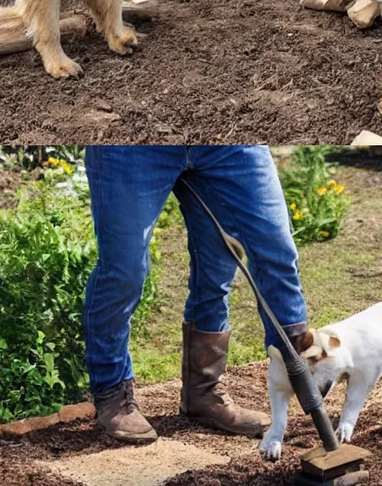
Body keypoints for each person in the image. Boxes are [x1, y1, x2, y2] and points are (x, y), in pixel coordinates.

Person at [82, 146, 309, 445]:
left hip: (226, 142)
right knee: (124, 272)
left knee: (269, 251)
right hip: (132, 149)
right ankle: (112, 393)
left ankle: (215, 389)